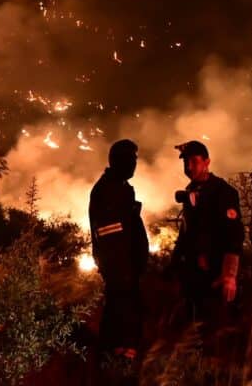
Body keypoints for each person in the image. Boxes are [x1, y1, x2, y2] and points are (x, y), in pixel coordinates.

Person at [170, 140, 244, 323]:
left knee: (213, 330)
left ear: (207, 162)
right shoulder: (192, 191)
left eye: (194, 161)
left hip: (214, 276)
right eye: (185, 162)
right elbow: (188, 232)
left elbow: (233, 235)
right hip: (193, 276)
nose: (189, 167)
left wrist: (229, 276)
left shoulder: (223, 192)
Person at [89, 139, 149, 360]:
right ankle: (116, 359)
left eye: (135, 159)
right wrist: (123, 269)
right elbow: (111, 236)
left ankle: (120, 355)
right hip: (120, 269)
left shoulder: (120, 188)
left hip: (128, 268)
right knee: (119, 311)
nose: (134, 163)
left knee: (125, 310)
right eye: (130, 159)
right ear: (117, 161)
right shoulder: (108, 190)